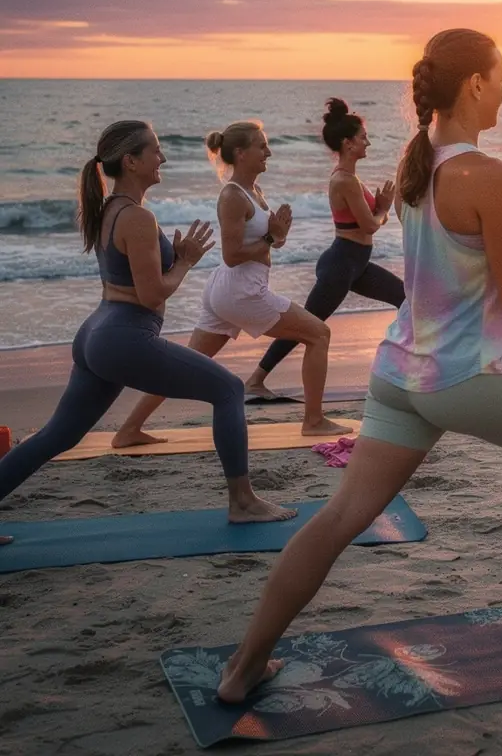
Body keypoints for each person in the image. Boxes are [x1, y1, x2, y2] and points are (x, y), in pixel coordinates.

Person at [216, 28, 502, 702]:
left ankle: (243, 669)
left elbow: (471, 256)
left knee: (338, 518)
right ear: (476, 84)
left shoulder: (421, 158)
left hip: (400, 374)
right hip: (463, 375)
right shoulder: (487, 173)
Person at [0, 121, 294, 547]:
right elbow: (153, 291)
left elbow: (132, 282)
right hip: (124, 335)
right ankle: (243, 502)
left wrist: (175, 256)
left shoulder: (110, 210)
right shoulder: (136, 216)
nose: (163, 158)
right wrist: (185, 261)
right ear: (131, 161)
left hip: (98, 333)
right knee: (229, 390)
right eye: (156, 151)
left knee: (56, 436)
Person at [112, 121, 343, 446]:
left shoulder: (254, 193)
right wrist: (271, 236)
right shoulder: (233, 196)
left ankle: (128, 430)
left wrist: (278, 237)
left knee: (186, 364)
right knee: (319, 334)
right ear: (240, 152)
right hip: (242, 291)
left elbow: (262, 244)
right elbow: (233, 254)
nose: (269, 152)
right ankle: (314, 421)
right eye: (261, 146)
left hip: (227, 291)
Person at [244, 98, 404, 398]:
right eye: (362, 137)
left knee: (404, 298)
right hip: (341, 265)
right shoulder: (345, 181)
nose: (367, 142)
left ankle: (403, 369)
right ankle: (254, 381)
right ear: (347, 143)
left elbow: (367, 222)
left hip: (355, 265)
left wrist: (378, 210)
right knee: (308, 327)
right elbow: (370, 225)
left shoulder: (351, 178)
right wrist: (383, 209)